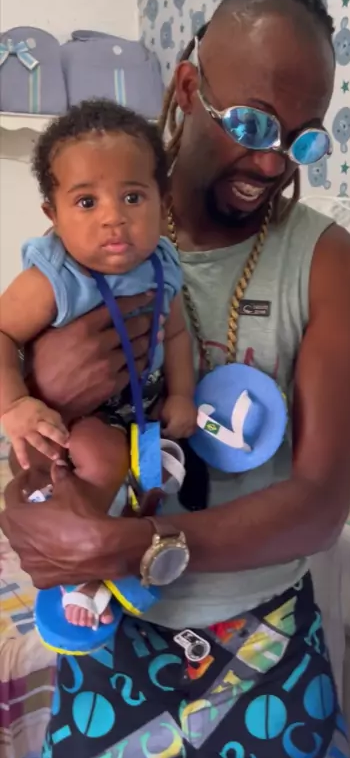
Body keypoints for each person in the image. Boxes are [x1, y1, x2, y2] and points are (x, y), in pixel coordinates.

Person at [0, 0, 350, 758]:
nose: (272, 161)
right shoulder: (85, 239)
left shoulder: (331, 265)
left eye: (303, 139)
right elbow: (34, 446)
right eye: (251, 122)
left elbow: (319, 507)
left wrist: (132, 545)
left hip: (268, 637)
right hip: (112, 629)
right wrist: (40, 399)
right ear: (185, 88)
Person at [0, 99, 197, 630]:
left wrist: (183, 393)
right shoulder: (55, 278)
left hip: (141, 410)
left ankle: (124, 545)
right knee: (104, 458)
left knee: (157, 475)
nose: (114, 217)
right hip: (77, 422)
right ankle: (82, 567)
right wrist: (15, 403)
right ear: (53, 215)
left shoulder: (164, 263)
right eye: (86, 202)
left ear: (162, 202)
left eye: (133, 196)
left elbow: (176, 332)